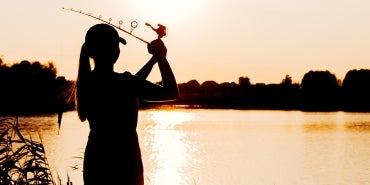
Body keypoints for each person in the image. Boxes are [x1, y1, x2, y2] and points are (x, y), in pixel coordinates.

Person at [75, 23, 179, 185]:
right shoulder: (126, 83)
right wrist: (161, 57)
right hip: (126, 163)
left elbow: (130, 85)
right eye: (117, 45)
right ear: (114, 51)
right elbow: (171, 92)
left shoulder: (87, 82)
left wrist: (153, 61)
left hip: (95, 162)